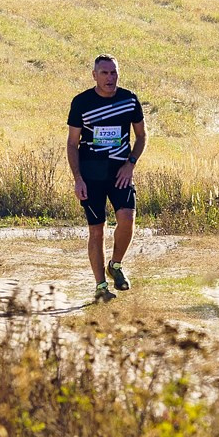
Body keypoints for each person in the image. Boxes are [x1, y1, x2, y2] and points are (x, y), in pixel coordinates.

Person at [67, 56, 145, 301]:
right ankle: (101, 287)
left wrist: (130, 164)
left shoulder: (129, 100)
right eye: (104, 73)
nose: (110, 78)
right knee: (97, 230)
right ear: (94, 75)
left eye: (114, 73)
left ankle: (116, 265)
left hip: (120, 172)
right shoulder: (81, 102)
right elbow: (72, 144)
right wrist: (78, 179)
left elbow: (142, 136)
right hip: (91, 174)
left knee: (127, 219)